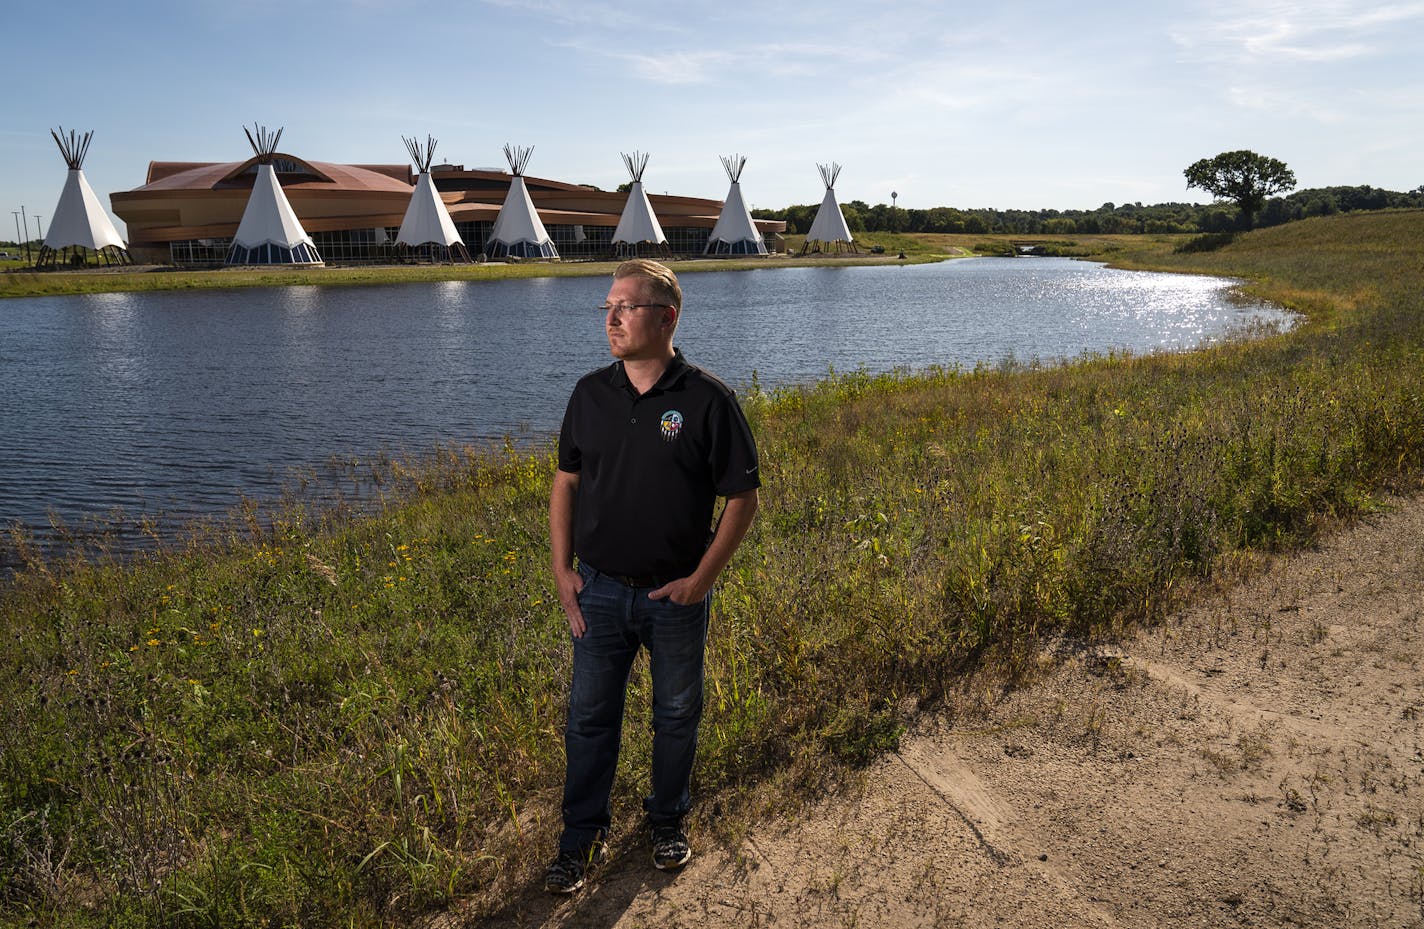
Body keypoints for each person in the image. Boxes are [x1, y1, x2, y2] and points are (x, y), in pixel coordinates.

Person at [544, 258, 760, 894]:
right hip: (600, 590)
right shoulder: (589, 394)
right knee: (589, 720)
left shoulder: (707, 399)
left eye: (626, 307)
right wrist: (562, 570)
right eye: (607, 306)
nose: (610, 318)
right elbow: (566, 483)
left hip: (674, 597)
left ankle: (667, 821)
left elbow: (742, 499)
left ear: (667, 317)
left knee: (674, 715)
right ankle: (579, 839)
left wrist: (700, 582)